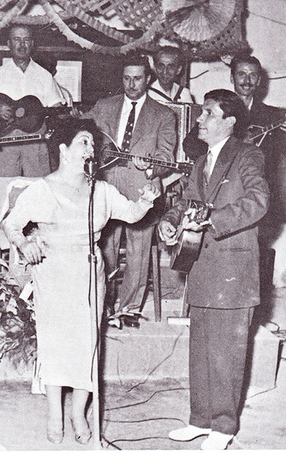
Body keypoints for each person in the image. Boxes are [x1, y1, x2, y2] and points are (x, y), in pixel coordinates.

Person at [2, 118, 160, 444]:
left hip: (89, 271)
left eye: (92, 144)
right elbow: (11, 225)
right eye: (84, 143)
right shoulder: (43, 189)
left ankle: (79, 412)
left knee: (87, 345)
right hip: (53, 272)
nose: (91, 150)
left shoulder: (100, 190)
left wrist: (146, 199)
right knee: (56, 343)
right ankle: (54, 415)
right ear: (63, 149)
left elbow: (130, 214)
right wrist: (25, 242)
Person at [158, 89, 269, 450]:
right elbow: (189, 201)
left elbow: (258, 202)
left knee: (227, 353)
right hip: (202, 266)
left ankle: (224, 426)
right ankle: (200, 419)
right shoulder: (201, 160)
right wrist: (171, 221)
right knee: (201, 349)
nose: (200, 119)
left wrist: (214, 219)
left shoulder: (248, 155)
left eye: (208, 113)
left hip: (233, 269)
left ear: (230, 121)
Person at [82, 54, 177, 328]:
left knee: (138, 248)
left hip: (142, 184)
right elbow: (86, 137)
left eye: (137, 78)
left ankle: (129, 309)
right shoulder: (103, 106)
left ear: (148, 79)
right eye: (126, 78)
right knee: (104, 244)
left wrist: (151, 168)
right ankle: (105, 303)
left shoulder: (163, 115)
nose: (132, 84)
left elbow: (167, 157)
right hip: (107, 181)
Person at [0, 24, 66, 177]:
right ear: (9, 44)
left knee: (37, 187)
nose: (22, 45)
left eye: (26, 40)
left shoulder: (44, 76)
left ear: (32, 44)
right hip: (4, 140)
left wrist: (66, 113)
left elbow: (57, 108)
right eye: (17, 40)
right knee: (5, 186)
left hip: (36, 140)